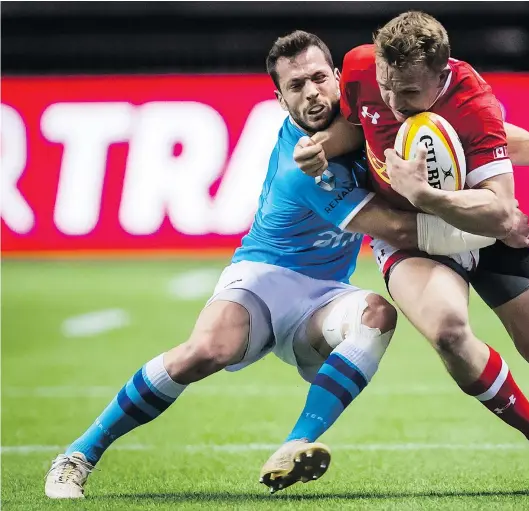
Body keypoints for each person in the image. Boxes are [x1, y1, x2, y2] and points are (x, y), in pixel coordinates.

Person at [43, 30, 500, 499]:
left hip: (324, 294)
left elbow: (466, 134)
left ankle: (294, 445)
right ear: (280, 99)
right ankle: (77, 455)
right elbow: (399, 230)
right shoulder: (302, 166)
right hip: (263, 279)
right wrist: (491, 225)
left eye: (320, 78)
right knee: (205, 352)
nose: (312, 93)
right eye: (296, 86)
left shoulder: (367, 121)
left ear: (339, 78)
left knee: (376, 316)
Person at [294, 12, 529, 493]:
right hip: (410, 237)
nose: (394, 101)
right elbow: (358, 125)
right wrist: (321, 145)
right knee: (448, 333)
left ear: (441, 74)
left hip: (479, 231)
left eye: (408, 92)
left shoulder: (473, 99)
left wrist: (431, 197)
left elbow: (502, 214)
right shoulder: (364, 67)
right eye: (387, 86)